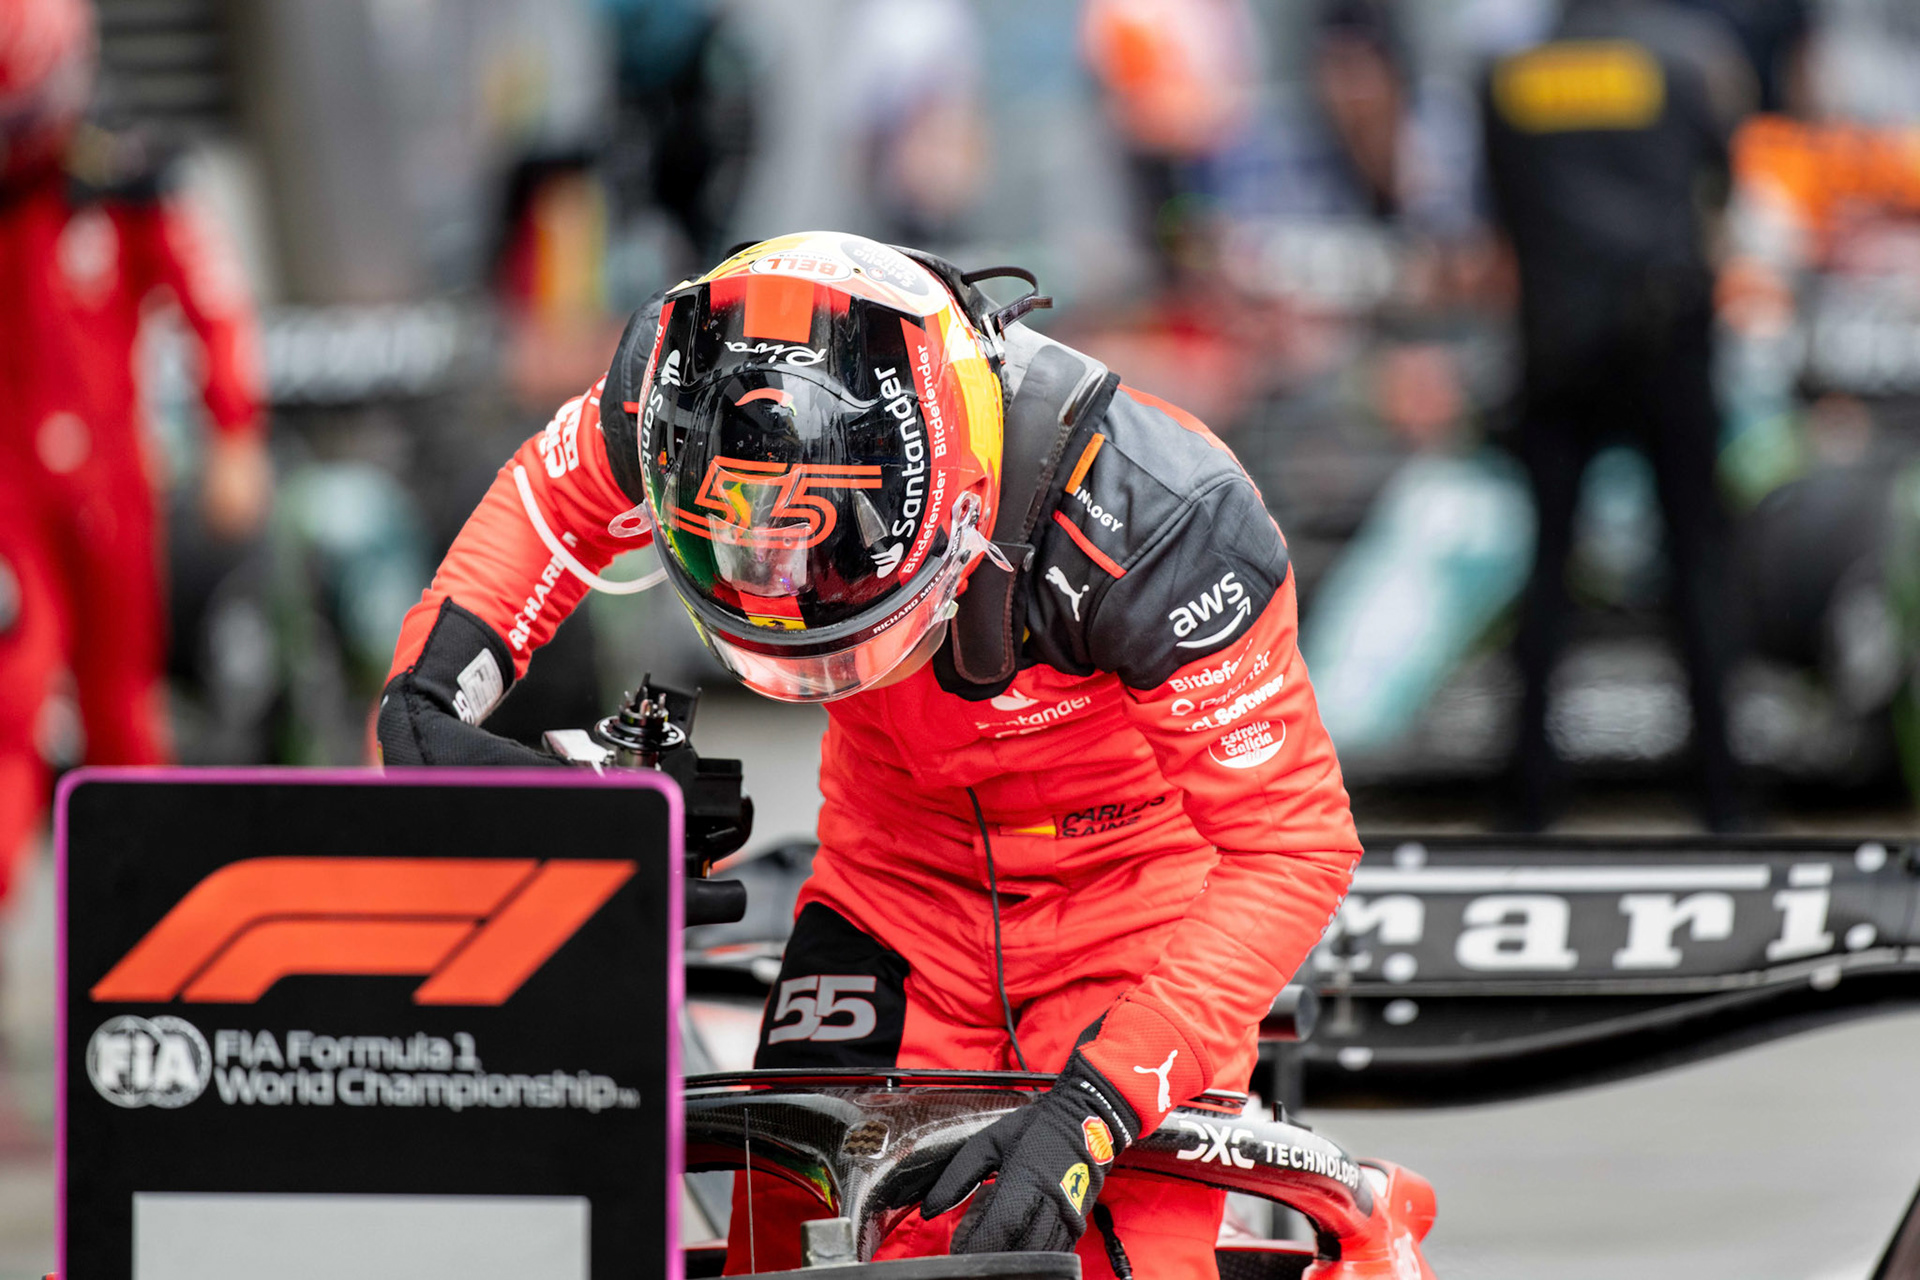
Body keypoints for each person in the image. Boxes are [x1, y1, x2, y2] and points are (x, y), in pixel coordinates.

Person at [378, 233, 1360, 1278]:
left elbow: (1292, 848)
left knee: (1105, 1256)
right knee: (785, 1246)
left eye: (843, 605)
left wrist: (1097, 1104)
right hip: (888, 884)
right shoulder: (680, 383)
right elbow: (548, 500)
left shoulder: (1163, 515)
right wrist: (432, 693)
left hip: (1137, 901)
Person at [0, 0, 268, 893]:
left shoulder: (131, 173)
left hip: (114, 487)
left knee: (123, 710)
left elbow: (214, 297)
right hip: (10, 497)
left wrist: (234, 429)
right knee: (13, 696)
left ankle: (148, 923)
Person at [1481, 0, 1756, 830]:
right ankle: (1724, 797)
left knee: (1549, 569)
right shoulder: (1684, 61)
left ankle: (1529, 797)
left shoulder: (1508, 77)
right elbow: (1723, 184)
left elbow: (1499, 210)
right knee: (1698, 567)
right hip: (1666, 339)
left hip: (1556, 343)